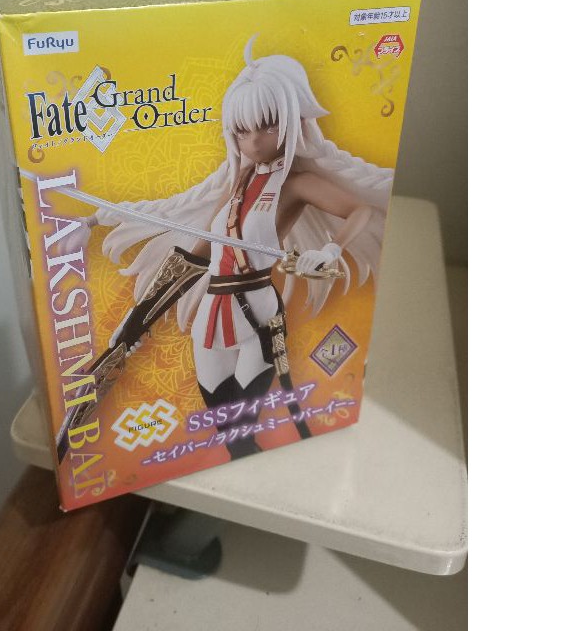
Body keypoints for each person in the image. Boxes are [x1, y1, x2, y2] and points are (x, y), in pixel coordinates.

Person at [67, 37, 393, 459]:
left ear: (291, 121)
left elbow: (359, 211)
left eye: (268, 126)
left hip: (257, 311)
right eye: (242, 130)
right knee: (225, 425)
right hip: (213, 312)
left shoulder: (295, 183)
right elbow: (189, 236)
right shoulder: (237, 182)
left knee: (241, 426)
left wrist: (332, 251)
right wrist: (135, 320)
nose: (254, 141)